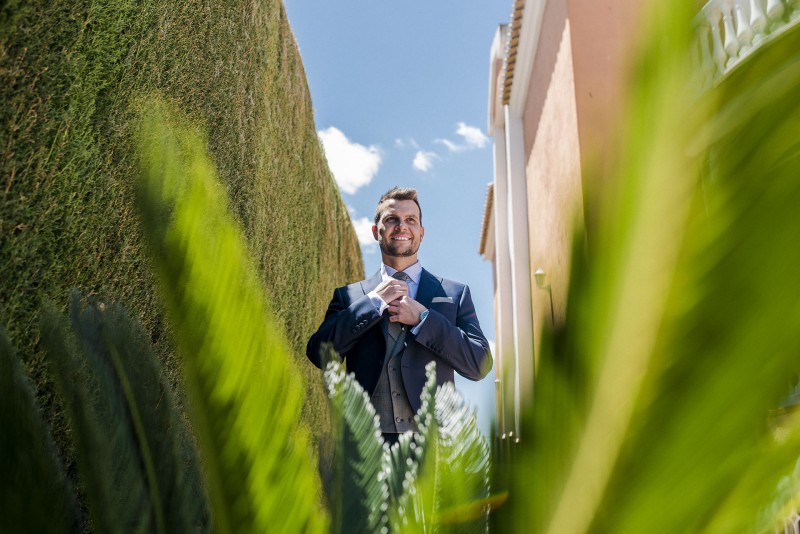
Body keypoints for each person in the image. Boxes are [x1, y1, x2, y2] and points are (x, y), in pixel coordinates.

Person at [306, 186, 492, 444]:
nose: (401, 226)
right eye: (392, 219)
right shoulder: (349, 297)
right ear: (376, 231)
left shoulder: (454, 294)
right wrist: (373, 303)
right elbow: (319, 353)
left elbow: (480, 364)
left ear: (421, 233)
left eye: (410, 220)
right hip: (364, 448)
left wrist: (425, 320)